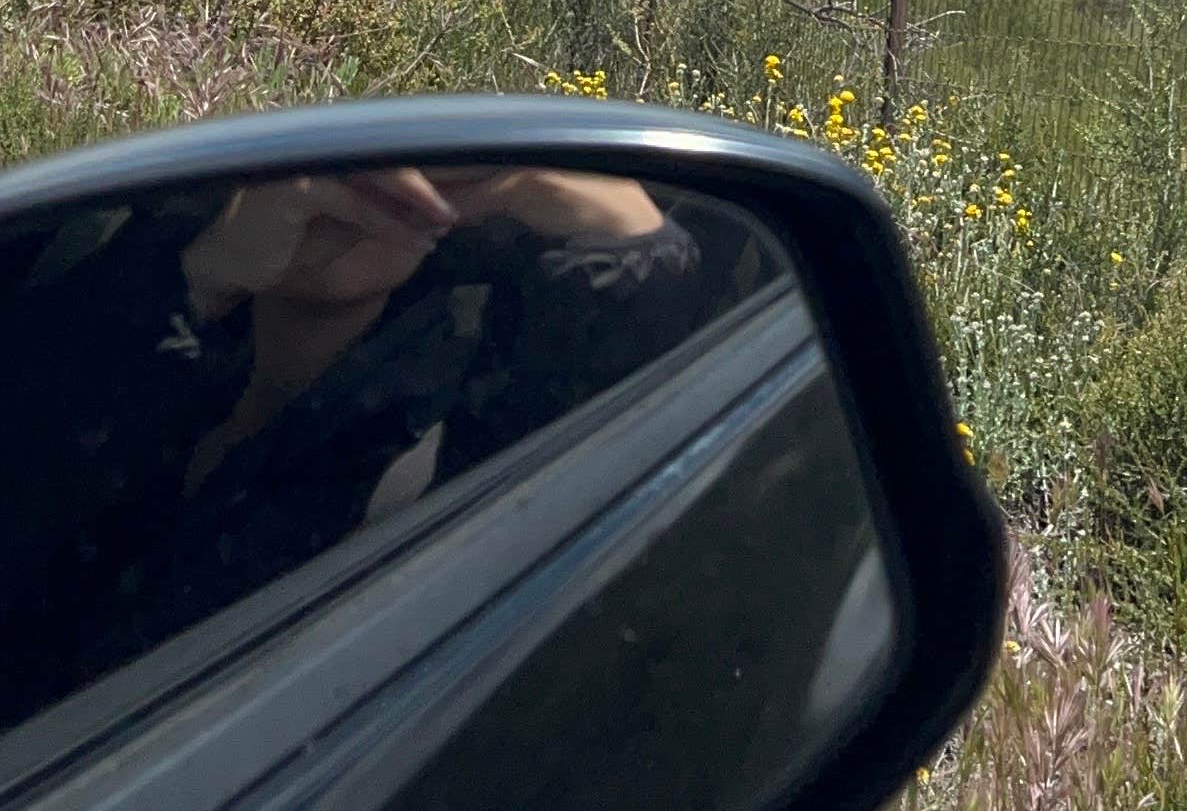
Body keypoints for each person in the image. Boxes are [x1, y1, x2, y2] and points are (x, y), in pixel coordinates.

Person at [0, 162, 762, 735]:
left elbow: (571, 468)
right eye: (333, 176)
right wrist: (205, 273)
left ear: (456, 221)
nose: (358, 199)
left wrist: (632, 230)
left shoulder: (431, 441)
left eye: (416, 182)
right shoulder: (151, 343)